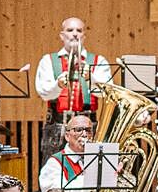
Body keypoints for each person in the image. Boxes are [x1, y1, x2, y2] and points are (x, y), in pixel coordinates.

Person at [33, 17, 112, 162]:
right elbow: (44, 93)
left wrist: (91, 79)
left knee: (90, 172)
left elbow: (108, 93)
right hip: (57, 126)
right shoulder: (48, 60)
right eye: (70, 30)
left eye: (79, 30)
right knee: (53, 170)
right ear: (62, 35)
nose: (75, 34)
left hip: (88, 126)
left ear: (84, 36)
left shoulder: (98, 61)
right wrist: (58, 85)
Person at [37, 111, 96, 192]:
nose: (84, 135)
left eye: (88, 130)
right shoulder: (54, 163)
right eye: (78, 130)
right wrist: (93, 176)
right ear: (67, 136)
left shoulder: (97, 159)